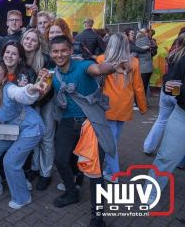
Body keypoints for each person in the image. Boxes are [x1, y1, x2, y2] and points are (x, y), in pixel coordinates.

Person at [49, 35, 127, 226]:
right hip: (68, 123)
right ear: (51, 53)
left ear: (69, 50)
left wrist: (112, 68)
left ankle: (97, 215)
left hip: (90, 123)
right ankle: (71, 192)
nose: (59, 55)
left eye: (63, 50)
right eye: (55, 51)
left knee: (95, 171)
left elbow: (98, 68)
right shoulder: (53, 74)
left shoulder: (82, 66)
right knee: (60, 159)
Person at [0, 59, 46, 209]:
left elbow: (21, 94)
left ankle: (22, 198)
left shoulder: (9, 89)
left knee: (10, 161)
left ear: (4, 78)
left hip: (31, 128)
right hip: (10, 129)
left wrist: (32, 89)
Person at [96, 33, 147, 183]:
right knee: (114, 139)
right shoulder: (134, 62)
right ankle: (110, 169)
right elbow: (138, 87)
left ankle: (114, 174)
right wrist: (143, 107)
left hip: (107, 105)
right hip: (125, 105)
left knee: (110, 142)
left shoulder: (101, 59)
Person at [146, 49, 185, 205]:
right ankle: (150, 191)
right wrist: (171, 87)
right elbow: (171, 83)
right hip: (182, 115)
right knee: (165, 157)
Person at [20, 28, 57, 190]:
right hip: (29, 103)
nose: (29, 42)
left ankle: (45, 173)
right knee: (33, 136)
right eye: (27, 39)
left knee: (47, 137)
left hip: (45, 101)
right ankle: (34, 168)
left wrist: (41, 85)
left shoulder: (46, 60)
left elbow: (48, 87)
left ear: (38, 43)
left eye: (33, 40)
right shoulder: (18, 58)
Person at [143, 31, 185, 155]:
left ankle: (148, 147)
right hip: (177, 93)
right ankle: (173, 153)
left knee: (161, 120)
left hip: (166, 91)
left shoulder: (172, 55)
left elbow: (167, 75)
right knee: (177, 124)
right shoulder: (180, 57)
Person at [135, 30, 154, 97]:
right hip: (149, 67)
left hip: (143, 68)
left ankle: (141, 103)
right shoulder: (148, 41)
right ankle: (144, 102)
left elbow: (135, 54)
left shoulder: (138, 42)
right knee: (145, 86)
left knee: (141, 87)